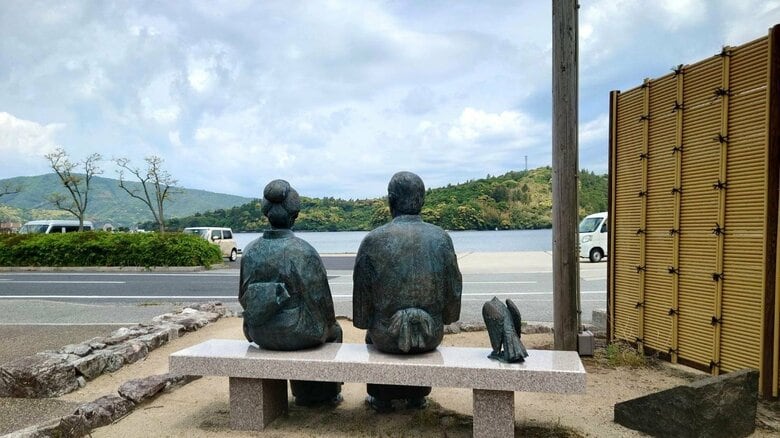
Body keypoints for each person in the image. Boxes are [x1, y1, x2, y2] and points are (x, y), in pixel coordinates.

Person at [353, 171, 462, 412]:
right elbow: (453, 300)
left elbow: (362, 316)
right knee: (412, 335)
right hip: (430, 332)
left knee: (371, 336)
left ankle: (382, 397)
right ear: (422, 201)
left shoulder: (372, 240)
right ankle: (417, 396)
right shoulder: (441, 238)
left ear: (390, 200)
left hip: (386, 335)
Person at [239, 179, 342, 406]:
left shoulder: (250, 251)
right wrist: (329, 325)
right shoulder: (303, 251)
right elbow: (322, 303)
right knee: (334, 332)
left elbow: (243, 296)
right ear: (294, 216)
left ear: (267, 215)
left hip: (259, 331)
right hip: (297, 331)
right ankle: (316, 395)